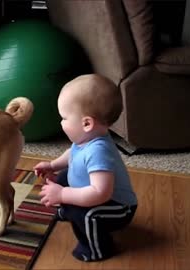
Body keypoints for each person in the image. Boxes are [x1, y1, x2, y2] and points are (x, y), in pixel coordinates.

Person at [34, 74, 138, 262]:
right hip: (94, 193)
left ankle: (97, 249)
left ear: (87, 123)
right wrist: (51, 165)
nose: (61, 123)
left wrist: (63, 195)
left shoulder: (99, 151)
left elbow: (100, 193)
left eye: (64, 118)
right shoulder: (85, 139)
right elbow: (72, 154)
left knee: (88, 215)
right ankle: (68, 210)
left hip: (118, 208)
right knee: (64, 176)